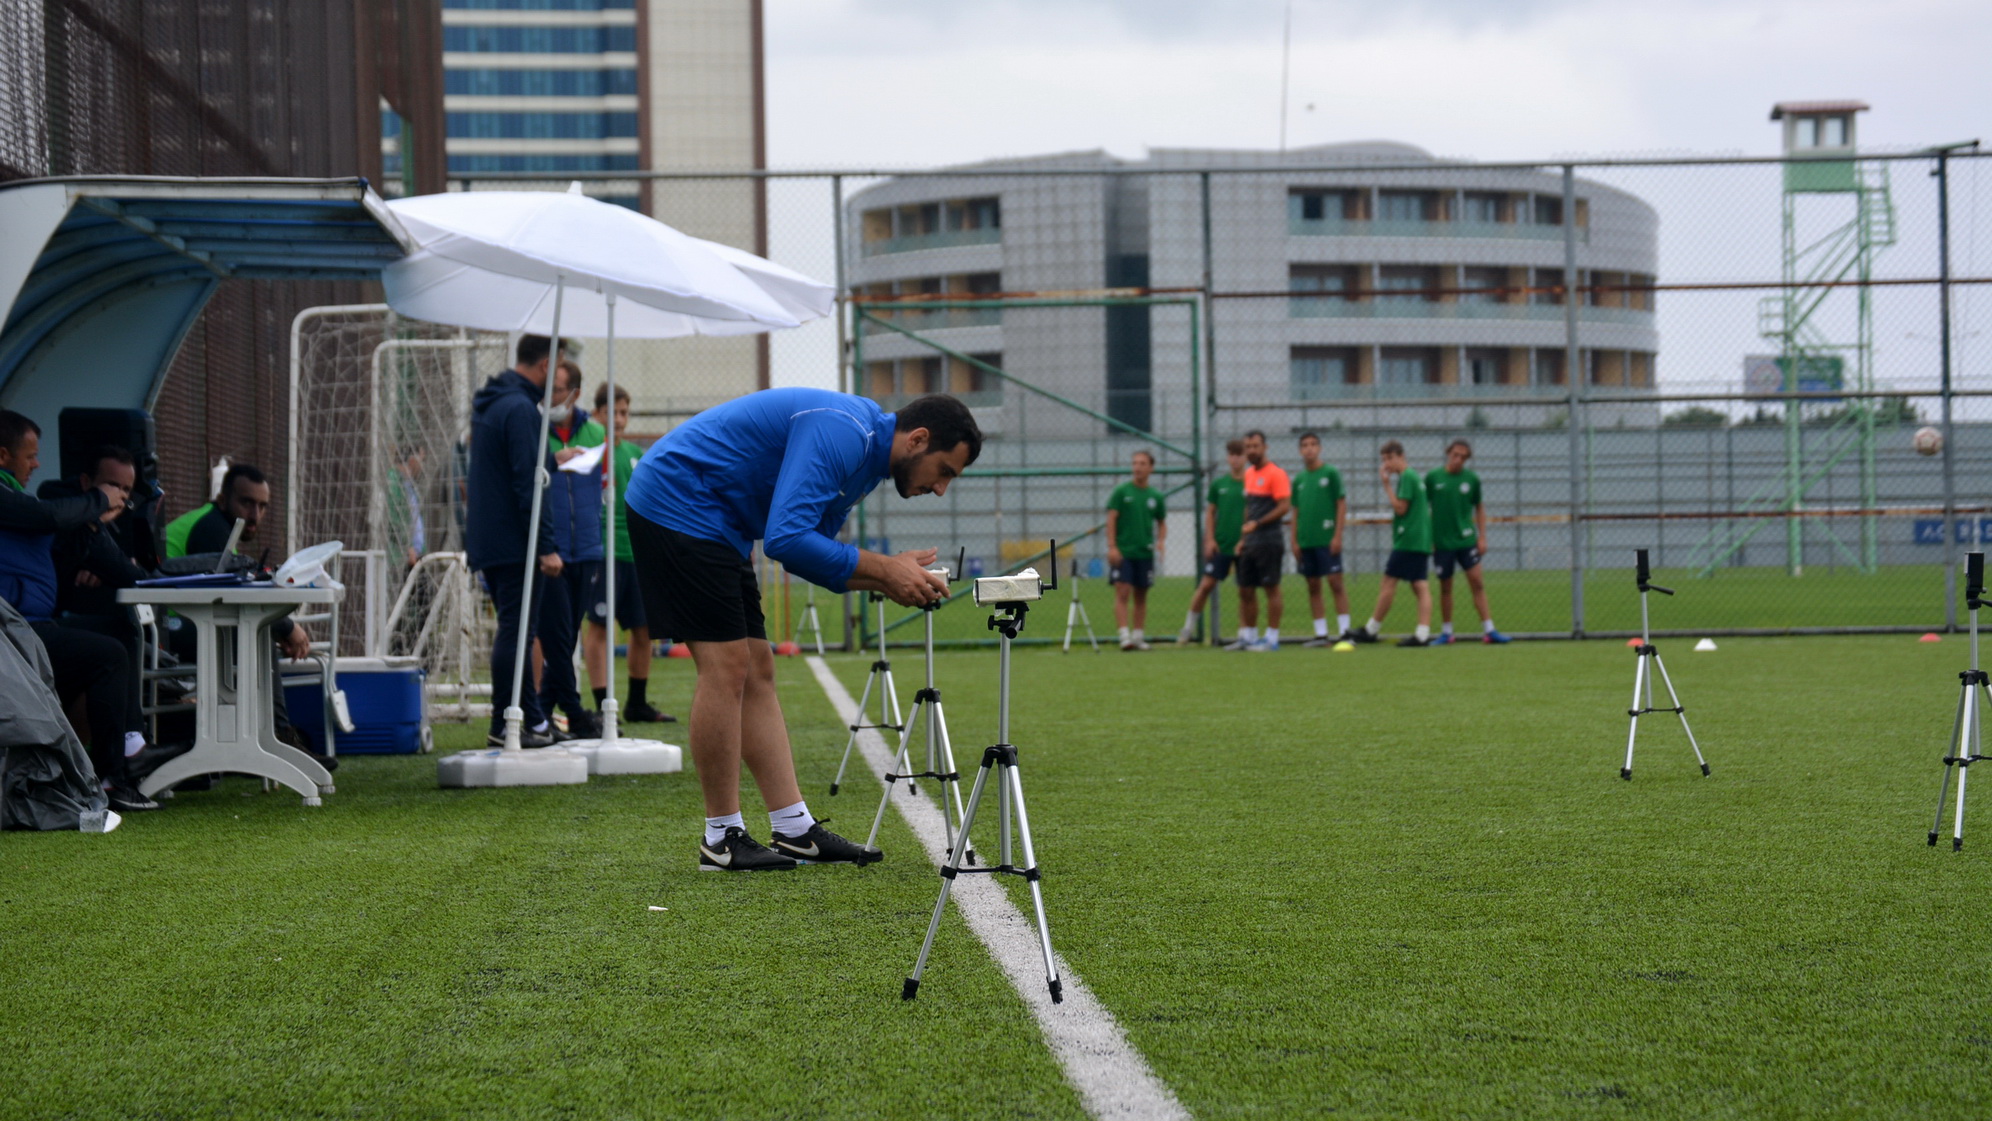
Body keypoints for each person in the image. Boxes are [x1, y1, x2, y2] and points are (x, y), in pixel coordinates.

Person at [623, 388, 979, 872]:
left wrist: (889, 577)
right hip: (678, 500)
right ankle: (721, 836)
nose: (940, 489)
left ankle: (794, 829)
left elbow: (815, 557)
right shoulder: (844, 432)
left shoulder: (868, 460)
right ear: (918, 439)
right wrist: (884, 568)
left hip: (719, 520)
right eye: (945, 473)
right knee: (726, 666)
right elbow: (786, 539)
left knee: (758, 667)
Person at [0, 411, 155, 810]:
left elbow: (114, 568)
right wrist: (96, 502)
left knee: (114, 636)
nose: (36, 464)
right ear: (3, 456)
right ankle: (110, 780)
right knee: (105, 656)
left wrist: (90, 527)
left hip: (30, 628)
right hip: (13, 634)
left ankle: (118, 748)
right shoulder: (13, 499)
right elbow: (49, 517)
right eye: (30, 455)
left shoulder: (17, 496)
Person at [466, 333, 568, 748]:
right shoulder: (520, 408)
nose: (559, 379)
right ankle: (503, 723)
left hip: (494, 537)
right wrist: (545, 545)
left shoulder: (497, 402)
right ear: (545, 366)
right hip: (514, 542)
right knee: (516, 629)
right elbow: (531, 485)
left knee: (518, 628)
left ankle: (528, 721)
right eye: (559, 369)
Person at [583, 381, 671, 723]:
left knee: (644, 630)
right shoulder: (591, 450)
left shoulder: (635, 454)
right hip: (603, 554)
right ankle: (604, 705)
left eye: (624, 412)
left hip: (637, 555)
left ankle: (637, 703)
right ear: (597, 413)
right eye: (613, 412)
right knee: (600, 628)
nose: (620, 419)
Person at [535, 358, 604, 740]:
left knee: (569, 634)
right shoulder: (536, 430)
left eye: (557, 390)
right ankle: (575, 713)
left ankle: (542, 712)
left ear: (575, 393)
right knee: (558, 635)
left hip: (588, 549)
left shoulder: (595, 432)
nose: (551, 397)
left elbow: (602, 489)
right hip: (553, 551)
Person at [1426, 439, 1512, 645]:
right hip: (1442, 543)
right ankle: (1447, 633)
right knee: (1445, 587)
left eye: (1463, 457)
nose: (1458, 460)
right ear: (1448, 453)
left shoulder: (1471, 479)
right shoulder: (1433, 478)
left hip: (1466, 541)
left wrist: (1482, 537)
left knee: (1477, 582)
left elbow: (1479, 508)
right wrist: (1429, 538)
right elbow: (1423, 509)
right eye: (1455, 455)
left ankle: (1489, 630)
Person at [1351, 440, 1434, 647]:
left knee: (1390, 581)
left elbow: (1401, 508)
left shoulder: (1406, 477)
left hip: (1409, 540)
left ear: (1401, 457)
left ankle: (1371, 630)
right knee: (1419, 585)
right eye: (1384, 459)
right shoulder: (1413, 476)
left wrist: (1386, 485)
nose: (1386, 463)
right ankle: (1422, 633)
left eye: (1389, 458)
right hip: (1418, 539)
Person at [1178, 439, 1246, 646]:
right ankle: (1188, 628)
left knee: (1245, 590)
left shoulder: (1252, 483)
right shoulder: (1219, 484)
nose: (1235, 458)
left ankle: (1244, 633)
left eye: (1239, 454)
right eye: (1231, 454)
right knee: (1206, 584)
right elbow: (1210, 512)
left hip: (1244, 545)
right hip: (1222, 544)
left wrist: (1246, 539)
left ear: (1245, 457)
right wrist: (1209, 539)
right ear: (1227, 457)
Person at [1290, 432, 1351, 647]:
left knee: (1335, 582)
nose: (1309, 449)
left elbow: (1341, 504)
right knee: (1313, 585)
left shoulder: (1331, 473)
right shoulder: (1299, 480)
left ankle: (1345, 632)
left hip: (1327, 538)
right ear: (1300, 450)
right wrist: (1294, 540)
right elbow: (1295, 511)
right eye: (1305, 445)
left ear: (1320, 448)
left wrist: (1337, 535)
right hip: (1306, 540)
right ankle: (1321, 635)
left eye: (1313, 444)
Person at [1233, 429, 1290, 651]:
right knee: (1245, 589)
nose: (1252, 451)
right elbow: (1249, 508)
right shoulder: (1248, 474)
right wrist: (1243, 537)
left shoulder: (1276, 473)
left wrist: (1259, 524)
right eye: (1248, 447)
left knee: (1271, 588)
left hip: (1269, 539)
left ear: (1265, 447)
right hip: (1251, 540)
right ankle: (1248, 636)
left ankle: (1272, 639)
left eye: (1256, 446)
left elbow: (1284, 506)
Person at [1105, 450, 1167, 651]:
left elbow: (1162, 522)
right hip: (1124, 552)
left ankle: (1138, 636)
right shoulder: (1122, 492)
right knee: (1123, 591)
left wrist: (1160, 541)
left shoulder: (1155, 496)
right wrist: (1112, 546)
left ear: (1151, 468)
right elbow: (1111, 518)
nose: (1137, 467)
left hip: (1144, 553)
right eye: (1135, 463)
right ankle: (1124, 636)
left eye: (1142, 463)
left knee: (1141, 595)